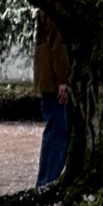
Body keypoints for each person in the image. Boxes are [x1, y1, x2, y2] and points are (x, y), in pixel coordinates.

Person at [34, 9, 70, 188]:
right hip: (54, 81)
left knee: (53, 132)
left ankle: (45, 181)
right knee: (58, 133)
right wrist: (63, 80)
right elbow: (58, 45)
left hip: (47, 78)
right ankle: (49, 181)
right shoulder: (54, 9)